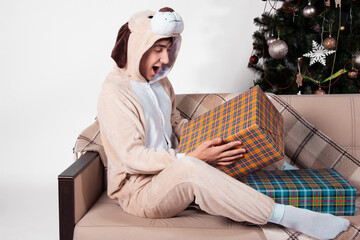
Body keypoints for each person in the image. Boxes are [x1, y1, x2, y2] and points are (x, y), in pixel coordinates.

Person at [97, 7, 350, 240]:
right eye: (158, 49)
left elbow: (175, 124)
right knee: (190, 167)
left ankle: (296, 183)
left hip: (174, 167)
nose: (165, 59)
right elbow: (131, 156)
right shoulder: (115, 92)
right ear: (137, 47)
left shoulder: (161, 83)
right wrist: (190, 156)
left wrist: (215, 137)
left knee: (234, 140)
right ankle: (291, 218)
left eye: (168, 49)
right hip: (140, 192)